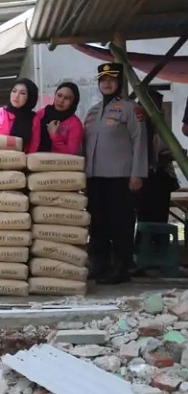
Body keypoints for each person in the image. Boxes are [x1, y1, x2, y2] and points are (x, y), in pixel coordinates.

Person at [83, 62, 148, 284]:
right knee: (98, 224)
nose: (107, 83)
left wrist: (137, 174)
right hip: (95, 178)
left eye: (111, 79)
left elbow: (140, 142)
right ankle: (100, 266)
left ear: (119, 82)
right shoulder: (91, 112)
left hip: (120, 177)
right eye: (103, 80)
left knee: (120, 224)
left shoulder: (130, 109)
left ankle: (121, 268)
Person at [137, 89, 180, 225]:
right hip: (143, 178)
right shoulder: (137, 126)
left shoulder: (162, 127)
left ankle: (160, 242)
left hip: (161, 178)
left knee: (160, 220)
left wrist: (173, 154)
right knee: (145, 218)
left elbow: (167, 150)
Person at [0, 78, 39, 152]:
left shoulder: (34, 118)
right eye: (14, 91)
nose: (16, 96)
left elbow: (33, 146)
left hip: (22, 160)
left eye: (22, 93)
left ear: (30, 97)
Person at [29, 82, 83, 154]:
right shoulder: (41, 114)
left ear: (73, 102)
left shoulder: (75, 124)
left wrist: (55, 136)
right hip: (35, 161)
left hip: (57, 163)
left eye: (67, 98)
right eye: (59, 95)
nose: (61, 101)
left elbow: (71, 153)